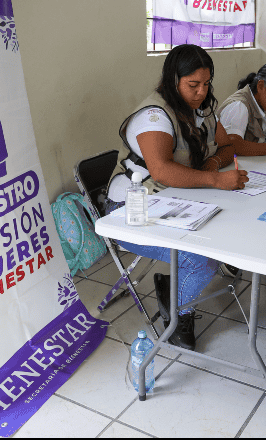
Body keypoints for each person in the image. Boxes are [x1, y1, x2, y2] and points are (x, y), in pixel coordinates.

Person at [104, 44, 249, 351]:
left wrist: (212, 163)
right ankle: (178, 310)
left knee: (232, 223)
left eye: (206, 83)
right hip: (130, 210)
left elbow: (227, 147)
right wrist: (215, 179)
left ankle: (174, 286)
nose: (201, 92)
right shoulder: (154, 116)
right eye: (193, 84)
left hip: (174, 199)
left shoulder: (202, 109)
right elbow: (161, 170)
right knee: (202, 259)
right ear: (173, 80)